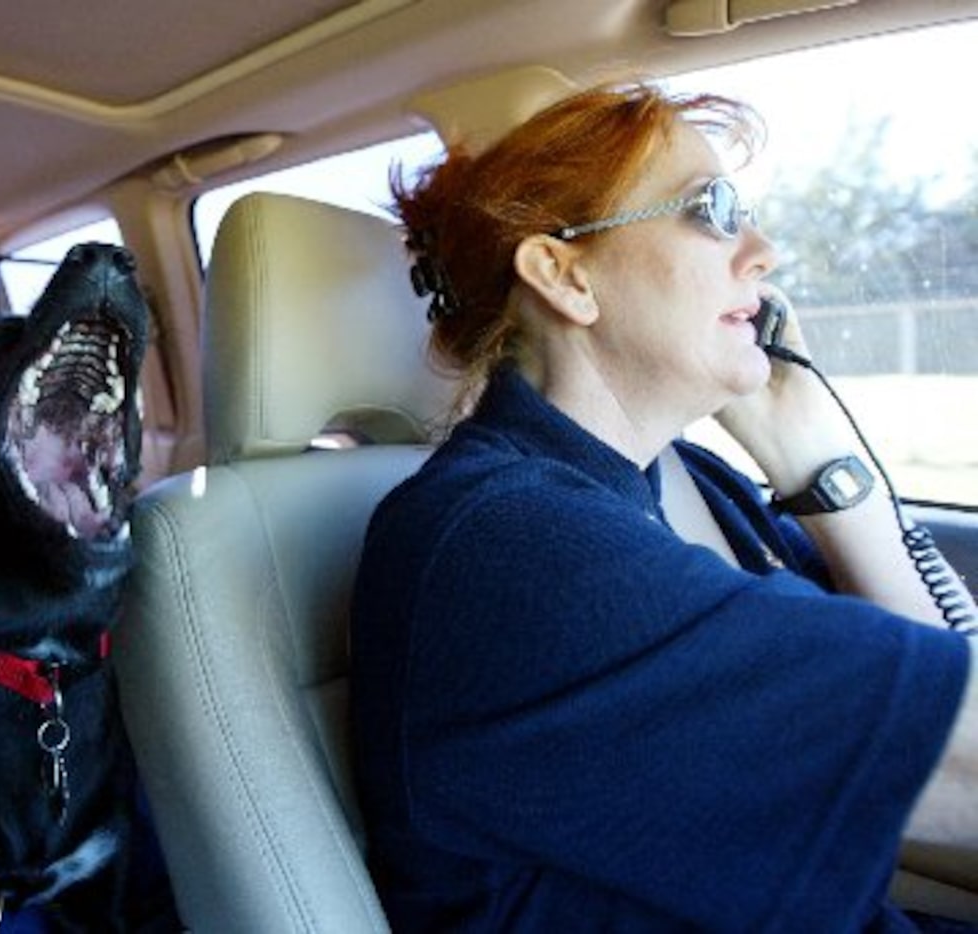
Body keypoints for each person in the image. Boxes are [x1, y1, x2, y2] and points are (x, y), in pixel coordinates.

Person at [349, 80, 978, 932]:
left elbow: (933, 694)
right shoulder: (503, 542)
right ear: (565, 274)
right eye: (711, 209)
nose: (763, 252)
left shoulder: (685, 483)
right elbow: (958, 763)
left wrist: (814, 459)